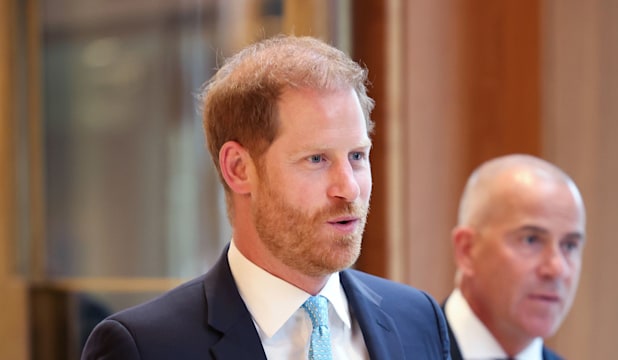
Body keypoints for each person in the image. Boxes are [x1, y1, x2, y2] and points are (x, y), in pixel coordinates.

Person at [81, 35, 450, 360]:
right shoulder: (146, 347)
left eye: (357, 156)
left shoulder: (418, 320)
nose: (349, 188)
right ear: (239, 168)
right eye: (317, 159)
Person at [443, 154, 586, 360]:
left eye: (569, 245)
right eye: (531, 240)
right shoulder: (400, 351)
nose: (557, 268)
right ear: (467, 250)